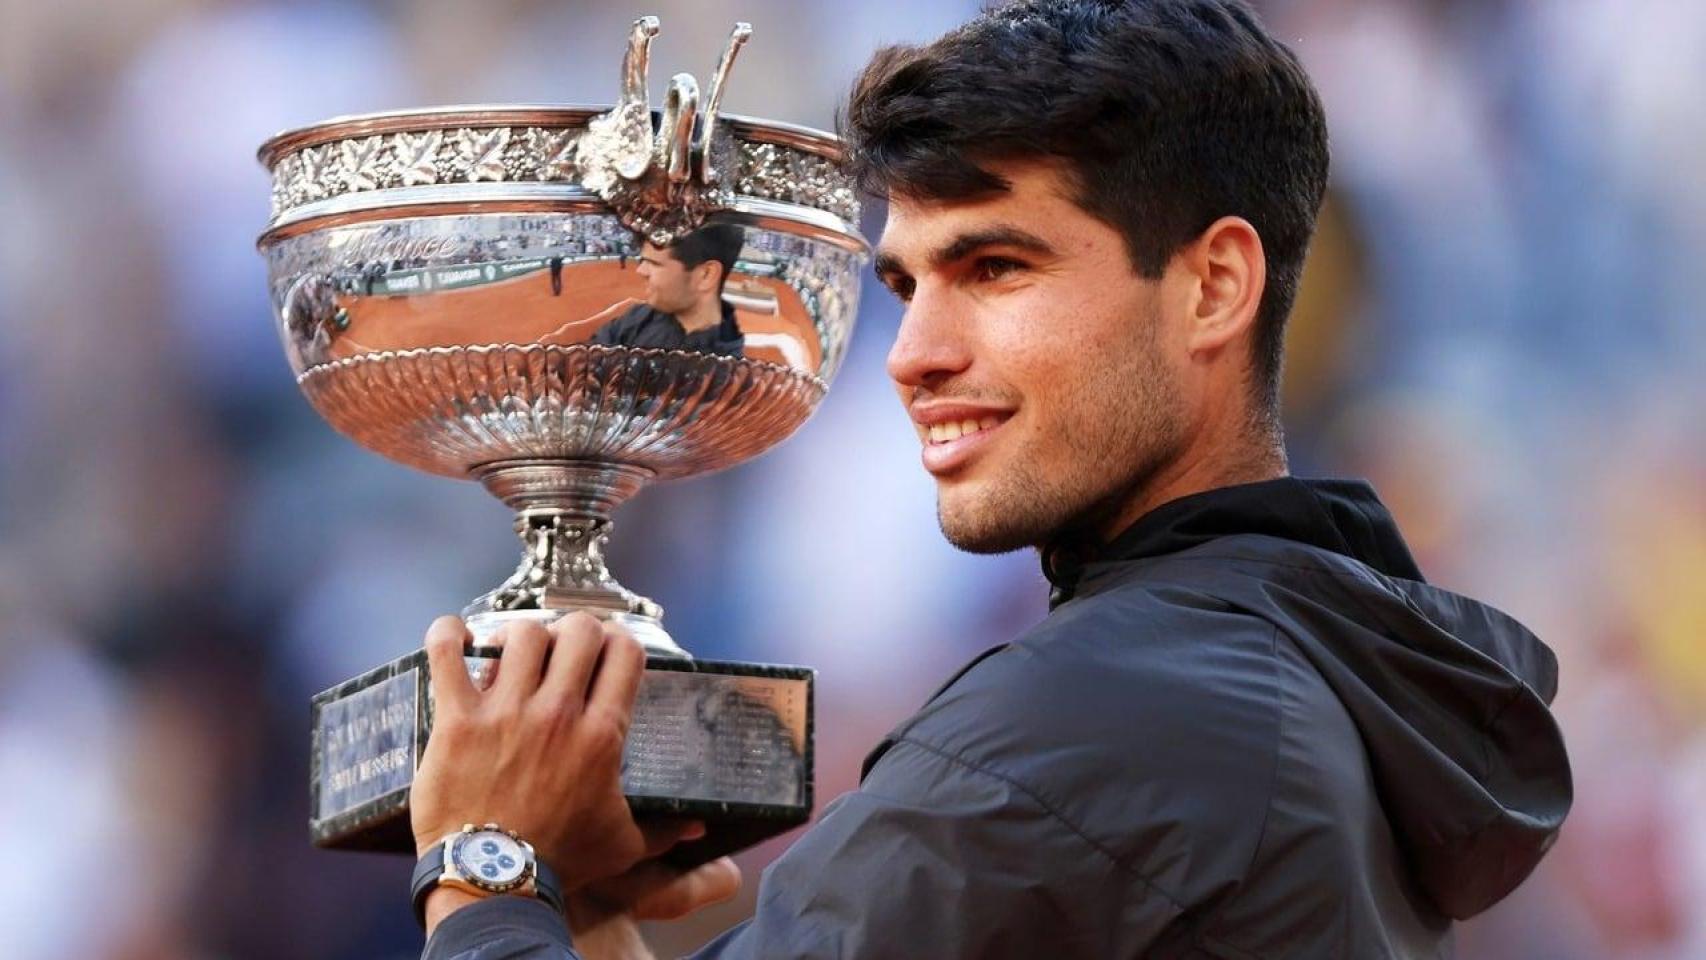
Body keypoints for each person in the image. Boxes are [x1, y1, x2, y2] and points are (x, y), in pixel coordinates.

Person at [409, 1, 1573, 957]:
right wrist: (580, 911)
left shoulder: (1114, 710)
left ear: (1213, 287)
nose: (913, 355)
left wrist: (482, 858)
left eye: (996, 267)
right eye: (908, 286)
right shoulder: (1283, 666)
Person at [590, 223, 746, 357]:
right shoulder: (640, 316)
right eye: (643, 260)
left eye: (654, 264)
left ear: (706, 275)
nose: (641, 271)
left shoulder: (724, 374)